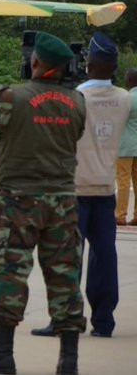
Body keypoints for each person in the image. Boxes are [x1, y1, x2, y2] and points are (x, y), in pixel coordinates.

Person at [0, 31, 86, 375]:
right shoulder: (78, 101)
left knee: (11, 272)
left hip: (20, 200)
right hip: (63, 200)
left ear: (35, 61)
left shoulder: (11, 97)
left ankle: (3, 354)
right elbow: (77, 133)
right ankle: (68, 360)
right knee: (65, 276)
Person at [31, 32, 130, 340]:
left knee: (66, 257)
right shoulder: (124, 99)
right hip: (105, 188)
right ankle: (104, 321)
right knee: (105, 256)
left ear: (89, 64)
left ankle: (64, 318)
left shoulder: (73, 97)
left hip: (74, 188)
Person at [118, 68, 137, 226]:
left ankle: (120, 215)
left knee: (123, 181)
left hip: (125, 146)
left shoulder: (127, 98)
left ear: (130, 80)